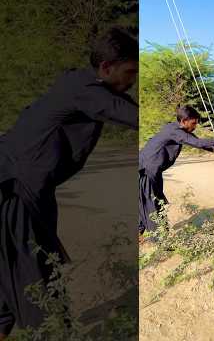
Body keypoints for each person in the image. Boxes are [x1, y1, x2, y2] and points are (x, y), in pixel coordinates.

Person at [0, 27, 139, 339]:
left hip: (24, 187)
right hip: (14, 189)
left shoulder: (80, 83)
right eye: (129, 72)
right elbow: (127, 114)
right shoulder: (86, 90)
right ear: (106, 67)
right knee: (38, 279)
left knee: (13, 273)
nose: (132, 80)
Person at [138, 105, 214, 234]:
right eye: (193, 123)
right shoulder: (175, 131)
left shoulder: (174, 127)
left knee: (151, 199)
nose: (195, 126)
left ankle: (139, 230)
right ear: (184, 121)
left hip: (151, 169)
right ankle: (161, 240)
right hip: (146, 170)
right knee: (152, 203)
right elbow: (195, 142)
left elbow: (194, 141)